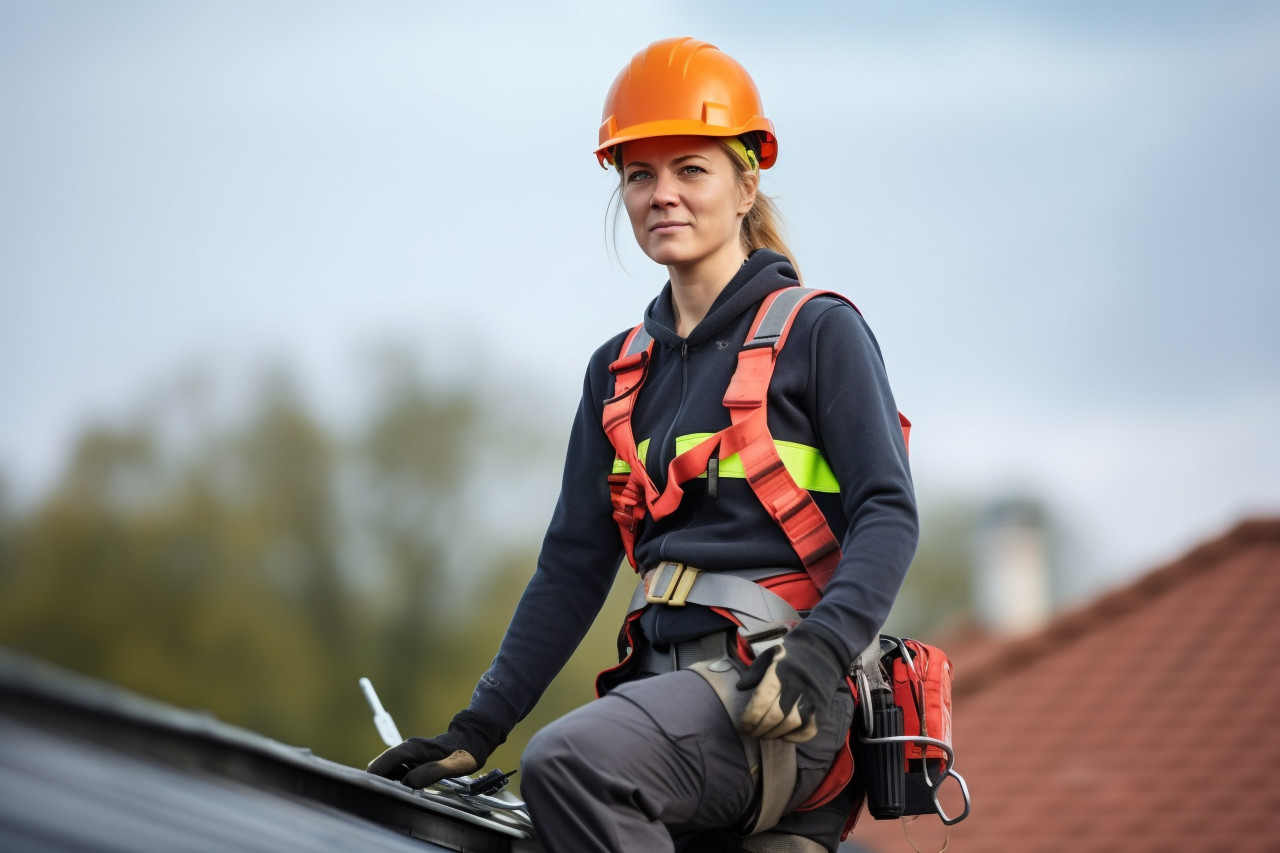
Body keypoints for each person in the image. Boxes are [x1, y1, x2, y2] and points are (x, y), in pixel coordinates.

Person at [367, 36, 918, 853]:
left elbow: (889, 512)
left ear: (746, 182)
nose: (663, 194)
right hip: (666, 696)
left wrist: (820, 651)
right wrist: (476, 727)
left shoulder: (818, 333)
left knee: (572, 765)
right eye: (639, 175)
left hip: (781, 694)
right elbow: (571, 564)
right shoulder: (618, 372)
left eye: (690, 168)